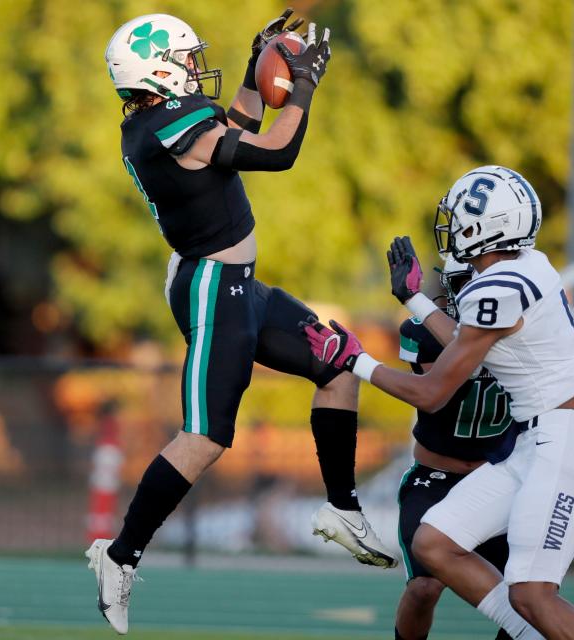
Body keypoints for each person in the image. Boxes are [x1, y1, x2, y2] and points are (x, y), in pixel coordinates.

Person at [86, 10, 395, 635]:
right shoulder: (170, 127)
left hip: (241, 286)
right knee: (205, 437)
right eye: (188, 59)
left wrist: (261, 71)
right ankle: (118, 556)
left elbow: (237, 126)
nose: (199, 69)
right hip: (210, 290)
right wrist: (302, 91)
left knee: (340, 363)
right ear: (159, 70)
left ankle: (342, 508)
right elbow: (277, 153)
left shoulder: (168, 122)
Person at [304, 166, 574, 640]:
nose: (450, 227)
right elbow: (468, 341)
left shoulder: (495, 289)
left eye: (459, 218)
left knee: (532, 594)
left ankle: (533, 628)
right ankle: (529, 634)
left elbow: (431, 392)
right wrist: (415, 302)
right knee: (434, 542)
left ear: (485, 226)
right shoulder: (529, 266)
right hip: (538, 438)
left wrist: (356, 361)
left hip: (565, 439)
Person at [394, 254, 515, 640]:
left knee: (527, 596)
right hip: (435, 478)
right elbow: (444, 384)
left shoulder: (525, 330)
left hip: (497, 478)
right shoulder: (421, 333)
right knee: (423, 588)